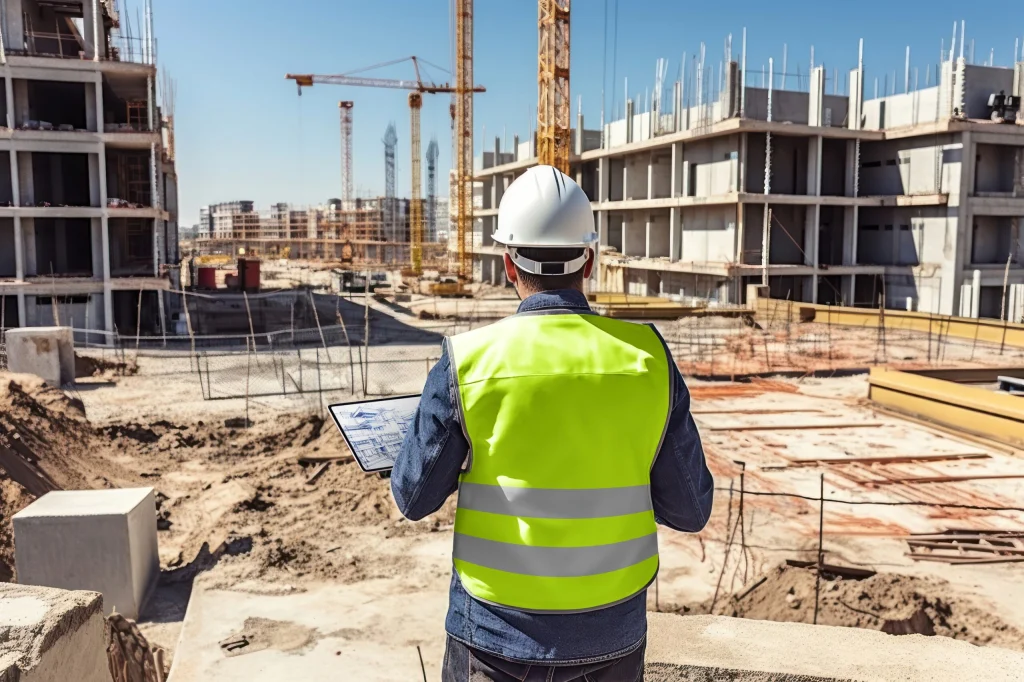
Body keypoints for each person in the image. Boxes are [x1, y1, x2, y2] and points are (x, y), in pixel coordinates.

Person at [391, 165, 713, 682]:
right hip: (612, 641)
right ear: (588, 260)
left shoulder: (468, 361)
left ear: (507, 264)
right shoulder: (649, 359)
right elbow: (691, 510)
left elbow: (413, 497)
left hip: (493, 641)